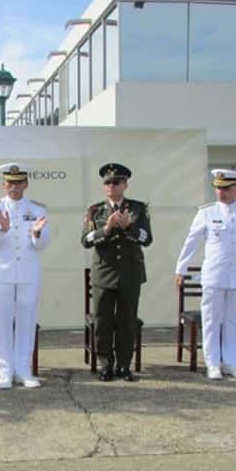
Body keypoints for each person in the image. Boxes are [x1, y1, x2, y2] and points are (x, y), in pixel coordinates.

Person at [175, 169, 236, 380]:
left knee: (235, 320)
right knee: (211, 319)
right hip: (214, 274)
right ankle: (213, 363)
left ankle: (232, 362)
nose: (221, 192)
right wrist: (181, 268)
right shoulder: (206, 212)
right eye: (218, 188)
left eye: (226, 188)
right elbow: (190, 242)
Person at [0, 163, 50, 389]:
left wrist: (37, 233)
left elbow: (42, 244)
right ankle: (5, 371)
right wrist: (1, 230)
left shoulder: (37, 209)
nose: (14, 187)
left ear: (26, 184)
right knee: (1, 321)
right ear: (3, 184)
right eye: (10, 182)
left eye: (19, 182)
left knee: (26, 320)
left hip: (29, 272)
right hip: (1, 272)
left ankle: (23, 369)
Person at [81, 163, 152, 382]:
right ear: (104, 186)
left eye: (116, 182)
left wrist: (129, 227)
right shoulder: (95, 210)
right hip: (104, 273)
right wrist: (107, 229)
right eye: (108, 182)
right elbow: (85, 240)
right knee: (103, 322)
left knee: (126, 321)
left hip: (130, 273)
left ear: (125, 185)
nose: (112, 185)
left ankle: (124, 365)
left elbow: (147, 239)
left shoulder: (138, 208)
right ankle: (106, 365)